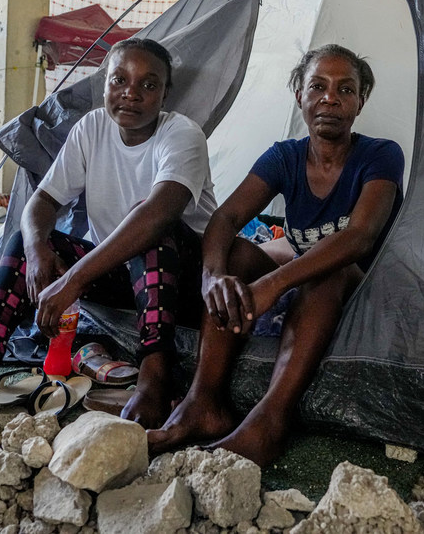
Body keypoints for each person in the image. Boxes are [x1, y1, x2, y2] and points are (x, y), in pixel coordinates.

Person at [0, 38, 217, 428]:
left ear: (166, 93)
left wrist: (72, 280)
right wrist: (36, 253)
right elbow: (42, 202)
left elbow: (157, 215)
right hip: (126, 277)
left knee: (148, 228)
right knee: (28, 239)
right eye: (119, 80)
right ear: (104, 85)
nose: (130, 93)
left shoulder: (182, 135)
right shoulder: (93, 128)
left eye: (148, 85)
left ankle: (155, 376)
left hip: (188, 282)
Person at [148, 44, 404, 465]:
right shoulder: (285, 156)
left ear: (360, 102)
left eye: (345, 89)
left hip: (363, 288)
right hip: (304, 284)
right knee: (236, 257)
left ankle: (269, 423)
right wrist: (213, 276)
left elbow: (359, 238)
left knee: (329, 268)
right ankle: (202, 403)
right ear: (299, 95)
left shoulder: (380, 155)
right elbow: (225, 218)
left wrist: (275, 282)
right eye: (317, 86)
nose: (330, 98)